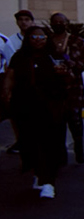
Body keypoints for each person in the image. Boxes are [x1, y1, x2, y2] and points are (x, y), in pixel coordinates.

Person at [1, 25, 69, 198]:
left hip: (49, 106)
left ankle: (48, 182)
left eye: (42, 38)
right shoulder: (20, 57)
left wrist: (63, 73)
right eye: (34, 37)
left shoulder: (54, 56)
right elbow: (10, 76)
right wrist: (6, 93)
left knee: (48, 144)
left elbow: (69, 76)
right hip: (25, 106)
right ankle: (38, 174)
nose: (38, 41)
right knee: (30, 143)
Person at [48, 12, 84, 164]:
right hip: (54, 87)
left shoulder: (77, 41)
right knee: (57, 122)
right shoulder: (48, 41)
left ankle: (79, 149)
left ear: (67, 23)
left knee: (75, 121)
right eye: (55, 22)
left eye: (61, 22)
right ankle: (61, 154)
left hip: (73, 87)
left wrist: (74, 64)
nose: (58, 24)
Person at [3, 9, 37, 154]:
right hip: (21, 82)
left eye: (27, 19)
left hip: (37, 82)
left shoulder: (38, 37)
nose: (24, 22)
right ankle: (20, 141)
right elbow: (11, 65)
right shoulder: (11, 41)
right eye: (21, 20)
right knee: (18, 115)